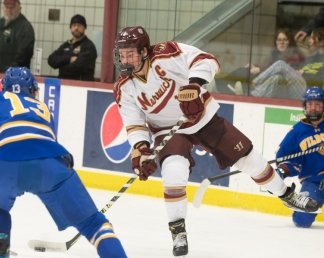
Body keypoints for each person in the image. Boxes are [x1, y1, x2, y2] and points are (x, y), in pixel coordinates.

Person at [112, 26, 319, 257]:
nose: (124, 58)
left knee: (249, 159)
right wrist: (141, 148)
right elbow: (134, 124)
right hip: (168, 130)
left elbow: (206, 60)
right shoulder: (124, 88)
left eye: (130, 52)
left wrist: (194, 85)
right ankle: (178, 231)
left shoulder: (166, 53)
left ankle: (287, 195)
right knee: (173, 171)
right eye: (122, 53)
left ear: (143, 51)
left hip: (203, 117)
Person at [0, 67, 127, 258]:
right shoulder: (43, 109)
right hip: (51, 164)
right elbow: (34, 149)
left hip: (4, 164)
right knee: (95, 225)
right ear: (32, 89)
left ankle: (0, 250)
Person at [275, 86, 324, 228]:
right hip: (313, 182)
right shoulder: (297, 132)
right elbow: (286, 158)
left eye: (318, 104)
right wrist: (283, 170)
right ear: (305, 106)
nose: (313, 108)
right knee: (302, 219)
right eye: (310, 104)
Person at [216, 28, 305, 97]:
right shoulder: (274, 55)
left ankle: (251, 86)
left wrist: (259, 69)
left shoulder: (295, 55)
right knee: (271, 76)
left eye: (285, 40)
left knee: (279, 65)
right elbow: (267, 67)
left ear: (290, 42)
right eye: (279, 40)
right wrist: (255, 66)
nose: (281, 42)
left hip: (294, 90)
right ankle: (223, 84)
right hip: (277, 88)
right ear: (276, 42)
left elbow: (280, 69)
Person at [0, 0, 35, 73]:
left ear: (19, 8)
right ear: (3, 8)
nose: (8, 10)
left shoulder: (25, 28)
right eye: (6, 7)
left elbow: (23, 56)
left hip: (14, 76)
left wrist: (8, 72)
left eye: (11, 8)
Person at [47, 14, 97, 81]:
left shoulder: (89, 46)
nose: (76, 28)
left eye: (79, 25)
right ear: (70, 28)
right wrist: (68, 59)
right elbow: (51, 60)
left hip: (82, 87)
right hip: (64, 85)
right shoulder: (67, 44)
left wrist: (60, 65)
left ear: (84, 28)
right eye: (74, 25)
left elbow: (78, 68)